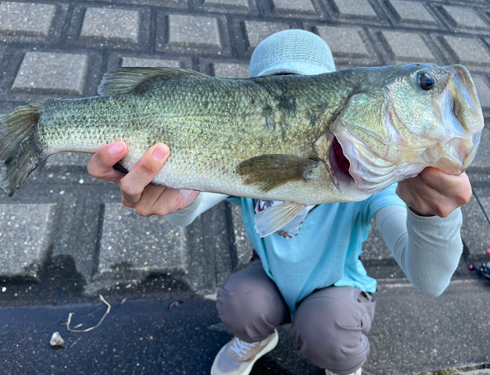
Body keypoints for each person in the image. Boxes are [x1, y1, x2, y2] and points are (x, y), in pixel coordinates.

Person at [87, 30, 471, 375]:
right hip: (272, 276)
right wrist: (175, 192)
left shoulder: (377, 183)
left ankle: (344, 366)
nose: (286, 119)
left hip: (334, 286)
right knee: (239, 302)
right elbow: (186, 206)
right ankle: (256, 338)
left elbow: (431, 280)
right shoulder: (241, 154)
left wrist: (431, 216)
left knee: (328, 330)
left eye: (302, 102)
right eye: (271, 103)